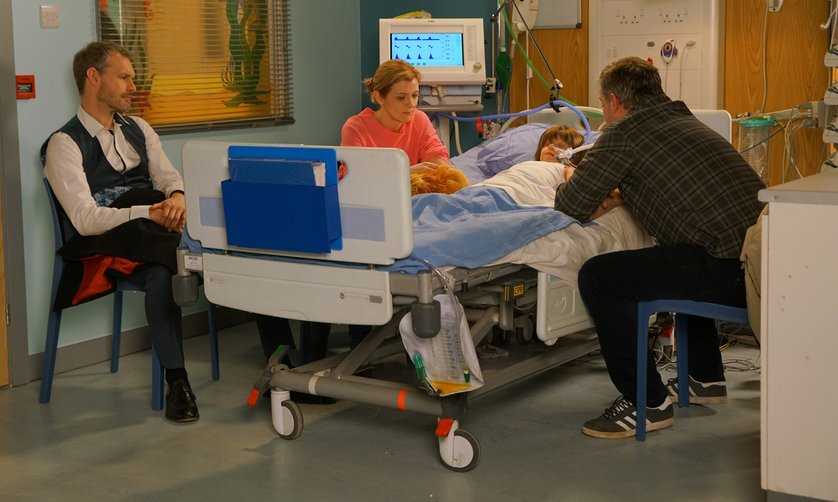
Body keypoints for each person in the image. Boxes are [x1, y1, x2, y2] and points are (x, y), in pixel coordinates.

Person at [553, 56, 765, 439]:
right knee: (685, 250)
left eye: (602, 104)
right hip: (762, 262)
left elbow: (570, 204)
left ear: (615, 101)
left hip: (732, 274)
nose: (603, 112)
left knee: (600, 277)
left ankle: (645, 403)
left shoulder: (624, 133)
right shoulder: (685, 123)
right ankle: (705, 378)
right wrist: (623, 193)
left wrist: (574, 175)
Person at [42, 42, 199, 424]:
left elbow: (168, 177)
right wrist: (151, 211)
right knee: (176, 248)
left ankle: (180, 381)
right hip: (105, 241)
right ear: (94, 78)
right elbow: (84, 219)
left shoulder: (139, 128)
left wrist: (176, 197)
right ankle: (192, 257)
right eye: (125, 77)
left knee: (161, 273)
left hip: (152, 238)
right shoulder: (64, 144)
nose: (133, 86)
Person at [341, 59, 450, 173]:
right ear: (379, 97)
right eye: (401, 97)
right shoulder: (355, 128)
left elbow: (436, 153)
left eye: (414, 95)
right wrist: (407, 173)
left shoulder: (419, 119)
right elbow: (356, 176)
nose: (411, 104)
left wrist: (442, 170)